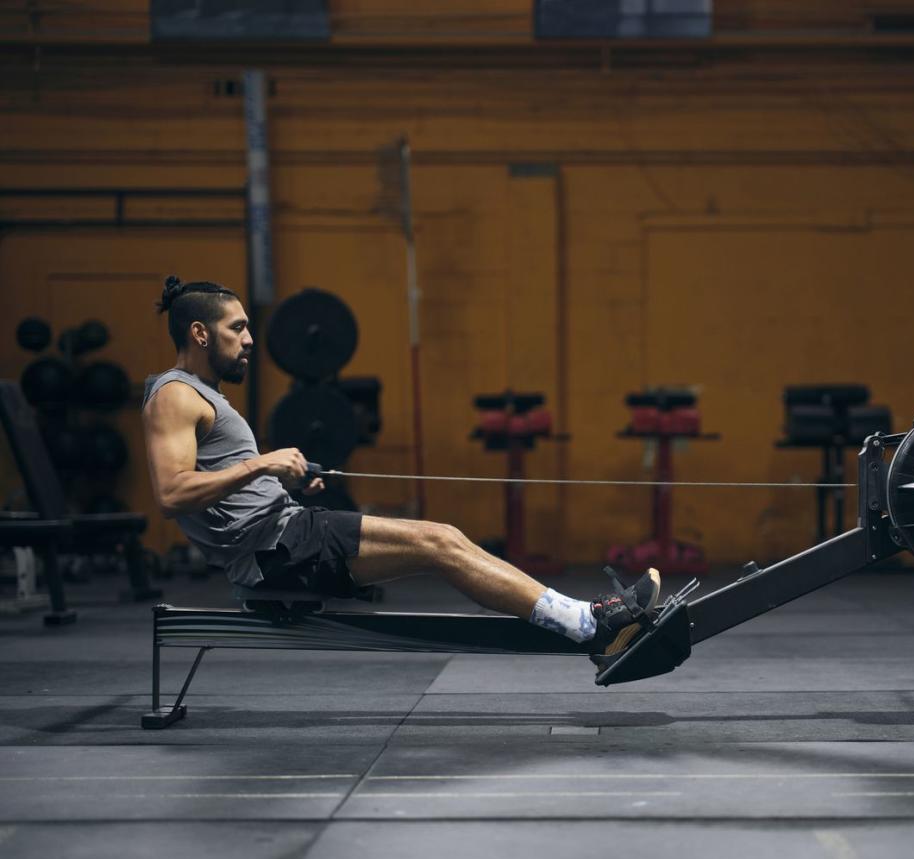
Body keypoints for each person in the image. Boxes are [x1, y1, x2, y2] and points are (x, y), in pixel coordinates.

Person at [140, 275, 659, 668]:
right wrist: (263, 463)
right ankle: (591, 625)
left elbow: (224, 485)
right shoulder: (175, 396)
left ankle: (589, 621)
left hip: (285, 537)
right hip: (277, 550)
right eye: (238, 328)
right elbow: (171, 493)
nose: (250, 339)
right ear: (200, 333)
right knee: (440, 542)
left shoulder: (200, 395)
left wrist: (277, 478)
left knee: (444, 541)